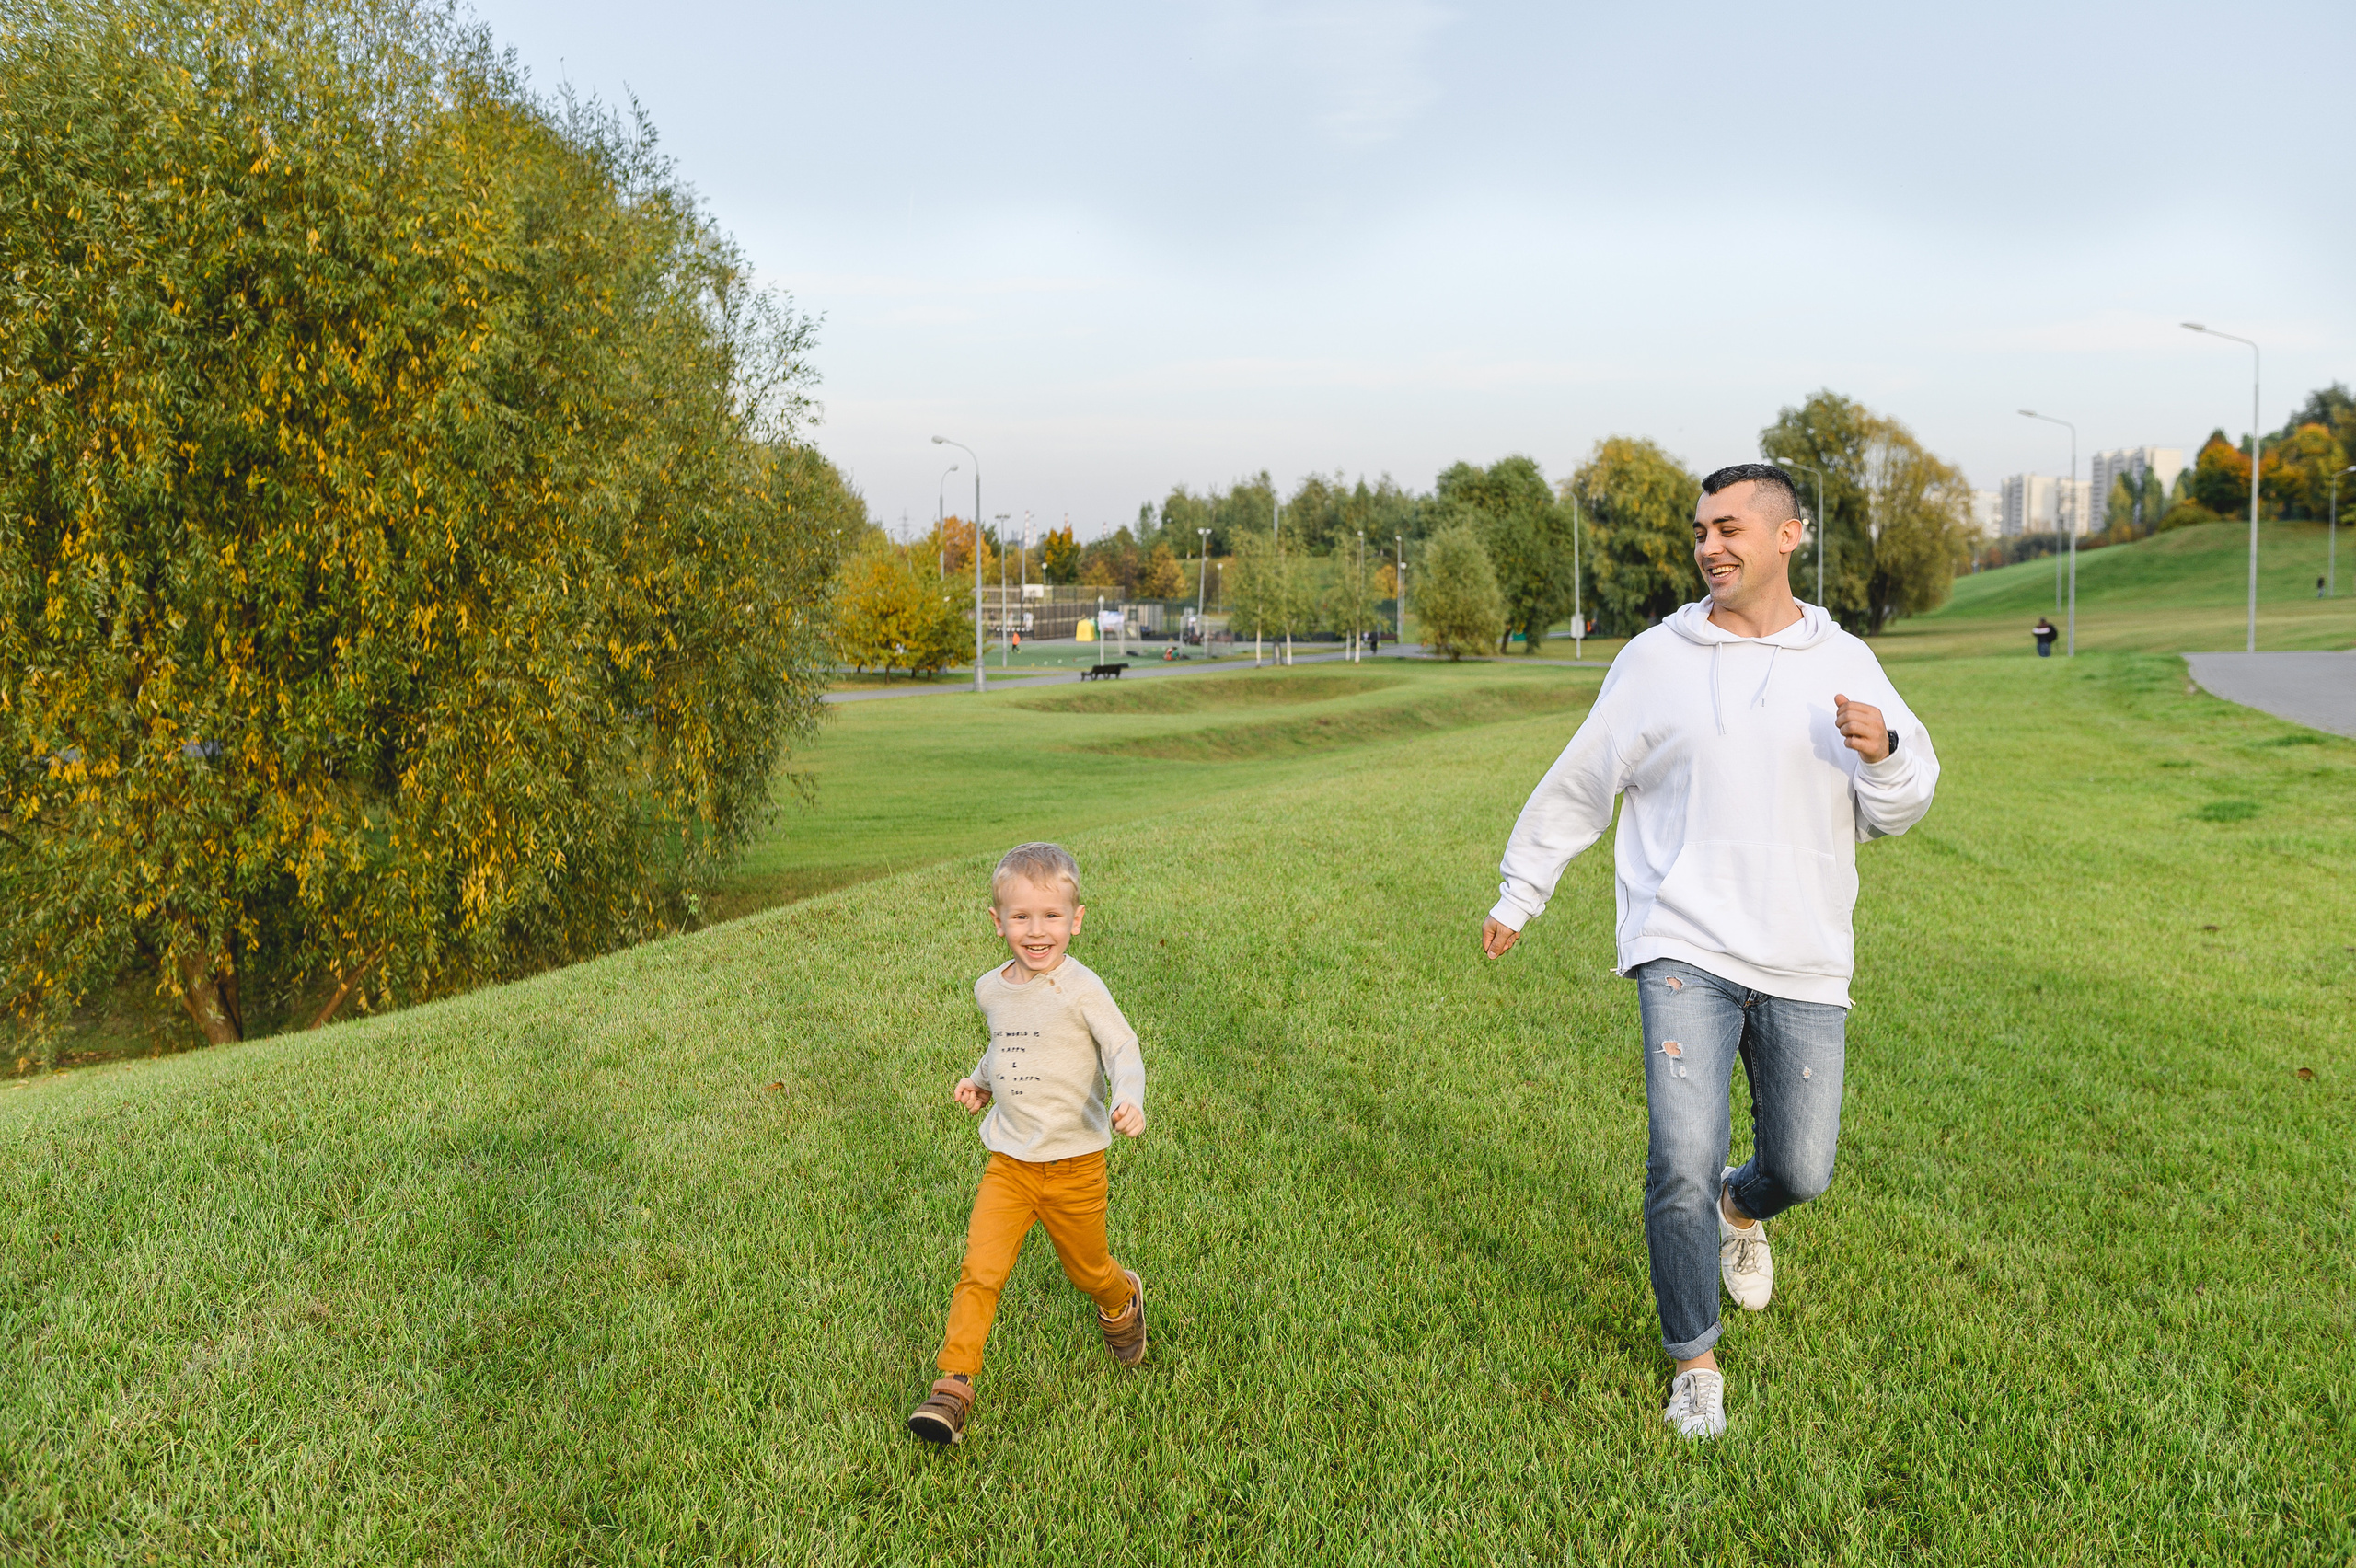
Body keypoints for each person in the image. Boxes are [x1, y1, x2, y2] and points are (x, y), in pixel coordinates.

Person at [1478, 464, 1939, 1440]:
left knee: (1802, 1168)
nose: (1708, 546)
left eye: (1728, 527)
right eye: (1699, 530)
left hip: (1804, 954)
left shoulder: (1842, 659)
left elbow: (1901, 809)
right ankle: (1694, 1360)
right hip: (1681, 938)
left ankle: (1744, 1207)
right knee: (1679, 1155)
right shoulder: (1655, 658)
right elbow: (1584, 778)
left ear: (1786, 536)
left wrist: (1886, 750)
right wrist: (1523, 891)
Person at [907, 842, 1149, 1445]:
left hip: (1075, 1166)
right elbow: (1007, 1042)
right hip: (1010, 1165)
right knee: (979, 1270)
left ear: (1076, 920)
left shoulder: (1081, 988)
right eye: (1021, 917)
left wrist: (1131, 1098)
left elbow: (1123, 1047)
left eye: (1050, 917)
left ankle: (1122, 1299)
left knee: (1088, 1270)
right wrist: (980, 1080)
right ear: (998, 922)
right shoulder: (991, 988)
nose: (1037, 932)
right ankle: (952, 1386)